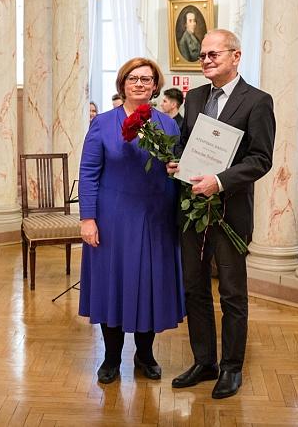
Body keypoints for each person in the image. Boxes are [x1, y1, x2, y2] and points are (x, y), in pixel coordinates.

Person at [167, 29, 275, 399]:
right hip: (191, 210)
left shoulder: (257, 101)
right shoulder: (194, 97)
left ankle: (231, 368)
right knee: (194, 288)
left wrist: (220, 181)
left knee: (231, 294)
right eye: (203, 56)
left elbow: (261, 159)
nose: (207, 60)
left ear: (236, 56)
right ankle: (204, 361)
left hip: (230, 212)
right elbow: (185, 142)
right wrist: (176, 162)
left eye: (215, 54)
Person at [79, 57, 185, 384]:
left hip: (156, 216)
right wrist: (88, 219)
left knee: (149, 285)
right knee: (113, 284)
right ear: (123, 83)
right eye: (133, 78)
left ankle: (145, 354)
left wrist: (176, 168)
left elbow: (178, 166)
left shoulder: (168, 124)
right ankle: (111, 358)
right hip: (113, 217)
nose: (139, 84)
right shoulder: (103, 123)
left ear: (155, 86)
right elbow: (88, 173)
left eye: (147, 79)